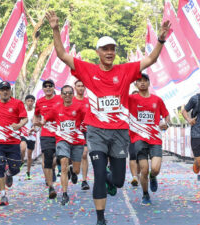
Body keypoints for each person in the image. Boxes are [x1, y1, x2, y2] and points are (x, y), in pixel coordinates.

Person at [46, 10, 170, 225]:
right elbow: (62, 55)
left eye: (112, 48)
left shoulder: (125, 70)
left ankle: (113, 179)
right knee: (100, 175)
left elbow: (151, 58)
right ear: (98, 52)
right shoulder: (87, 70)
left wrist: (160, 39)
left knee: (119, 180)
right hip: (96, 133)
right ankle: (100, 219)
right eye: (105, 49)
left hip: (120, 133)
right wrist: (56, 29)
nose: (110, 52)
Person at [129, 73, 170, 205]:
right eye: (139, 81)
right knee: (144, 170)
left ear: (149, 83)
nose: (142, 83)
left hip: (155, 139)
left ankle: (153, 177)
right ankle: (145, 194)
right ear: (135, 84)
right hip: (139, 138)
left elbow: (166, 115)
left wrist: (166, 123)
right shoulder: (131, 99)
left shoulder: (157, 100)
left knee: (156, 169)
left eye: (144, 80)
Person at [43, 85, 86, 205]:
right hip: (62, 139)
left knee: (77, 170)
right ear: (61, 95)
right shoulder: (56, 108)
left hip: (77, 141)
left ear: (73, 95)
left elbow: (88, 118)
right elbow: (45, 119)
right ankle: (65, 194)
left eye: (69, 93)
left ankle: (72, 171)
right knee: (63, 163)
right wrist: (39, 124)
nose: (67, 95)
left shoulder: (79, 107)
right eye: (65, 93)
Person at [34, 79, 62, 199]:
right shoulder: (40, 102)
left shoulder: (60, 99)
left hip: (61, 133)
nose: (48, 88)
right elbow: (36, 114)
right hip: (46, 134)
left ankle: (56, 168)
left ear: (54, 88)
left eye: (50, 86)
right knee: (48, 159)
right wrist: (36, 123)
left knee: (62, 157)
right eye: (45, 86)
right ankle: (51, 187)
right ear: (43, 89)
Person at [73, 80, 90, 190]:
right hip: (72, 131)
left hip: (85, 131)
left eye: (82, 86)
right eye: (78, 86)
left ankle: (84, 180)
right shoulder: (71, 101)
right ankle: (73, 170)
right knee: (73, 156)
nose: (80, 88)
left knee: (84, 154)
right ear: (74, 88)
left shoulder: (89, 101)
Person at [20, 94, 37, 180]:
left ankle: (28, 172)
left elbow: (35, 121)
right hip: (23, 134)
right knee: (22, 149)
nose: (30, 103)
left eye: (31, 101)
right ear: (25, 102)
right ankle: (22, 161)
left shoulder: (35, 111)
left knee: (29, 156)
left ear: (34, 102)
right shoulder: (22, 111)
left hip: (32, 135)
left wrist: (33, 128)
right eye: (28, 101)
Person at [129, 90, 140, 187]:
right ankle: (134, 177)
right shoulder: (127, 108)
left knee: (140, 157)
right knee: (132, 155)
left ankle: (139, 173)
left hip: (143, 135)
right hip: (131, 136)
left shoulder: (145, 107)